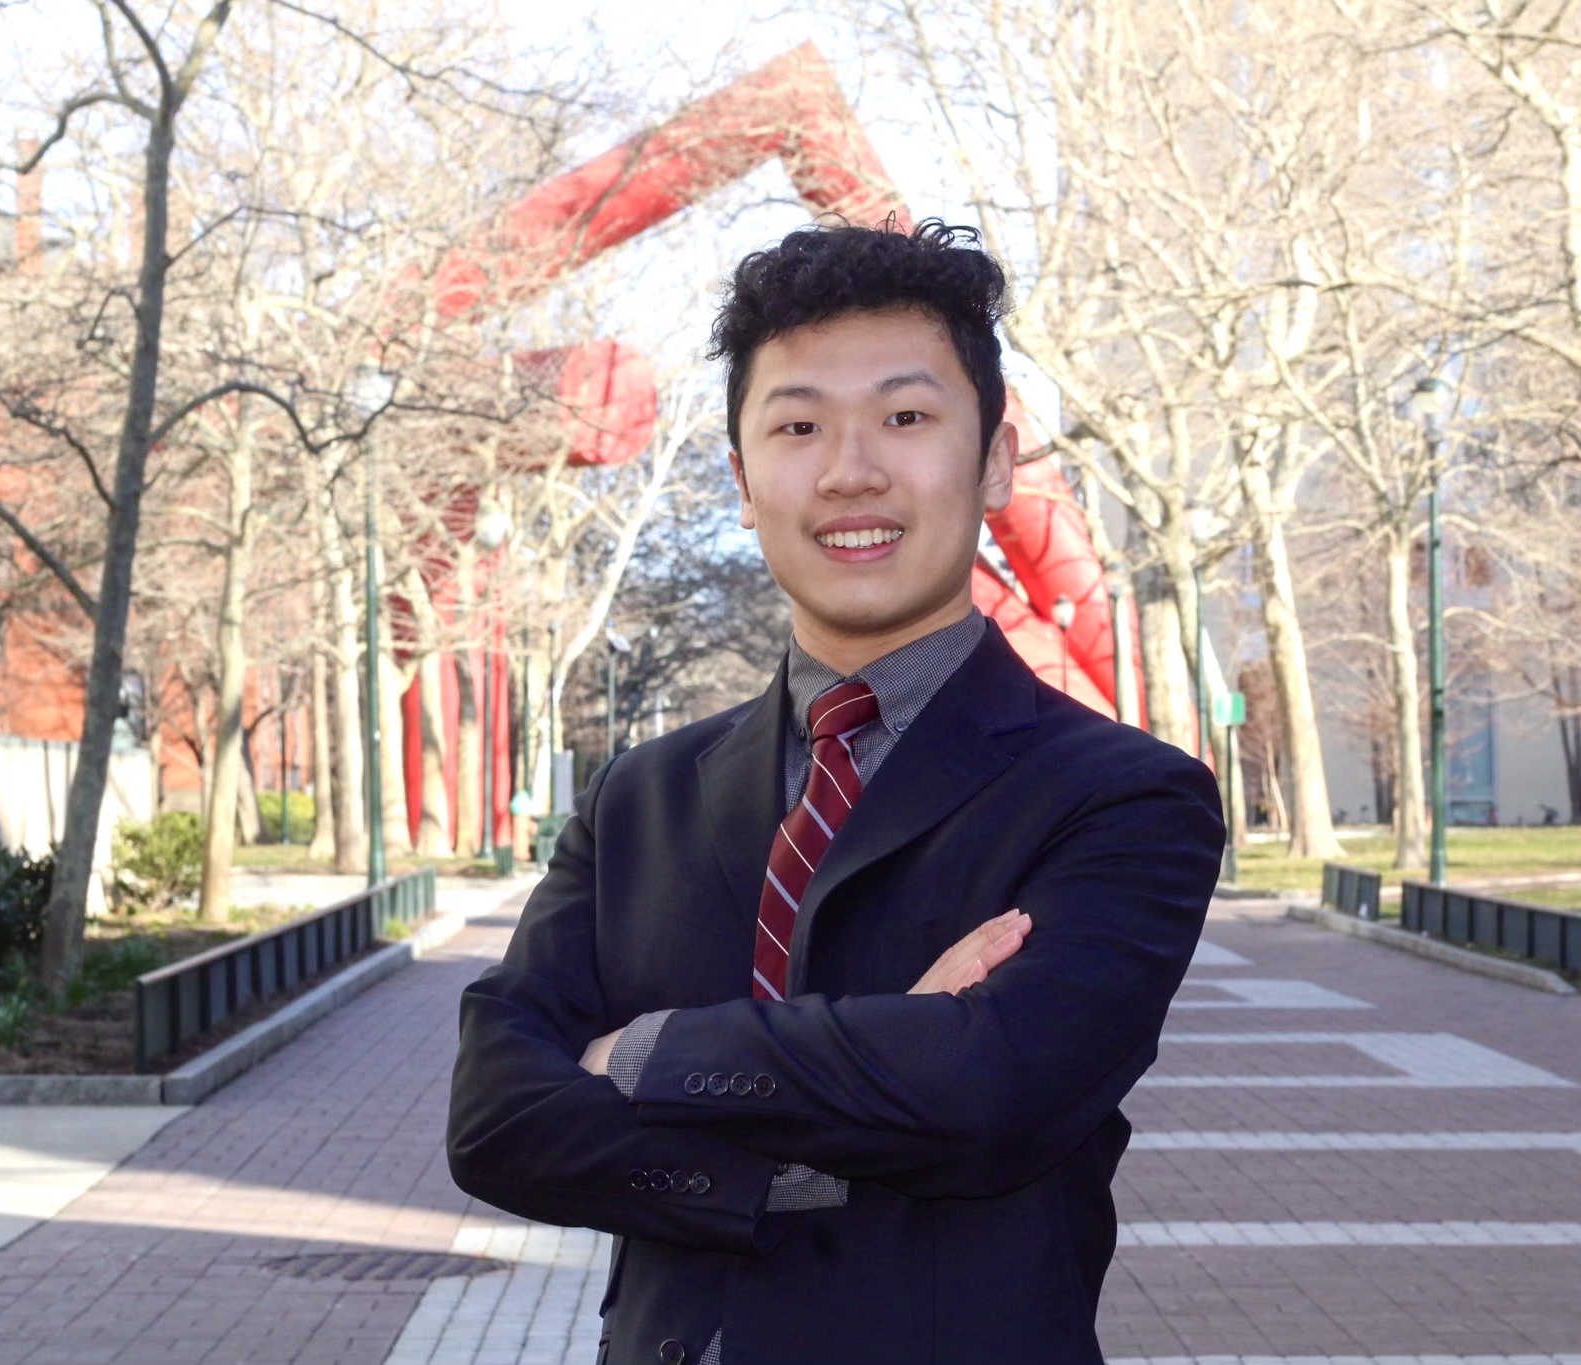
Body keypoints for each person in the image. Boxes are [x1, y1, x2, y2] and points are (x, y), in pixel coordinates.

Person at [447, 220, 1225, 1365]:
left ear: (994, 462)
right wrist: (825, 1123)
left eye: (904, 418)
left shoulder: (1122, 798)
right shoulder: (637, 800)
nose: (849, 470)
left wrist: (642, 1055)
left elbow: (996, 1088)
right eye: (798, 426)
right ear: (742, 479)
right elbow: (495, 1119)